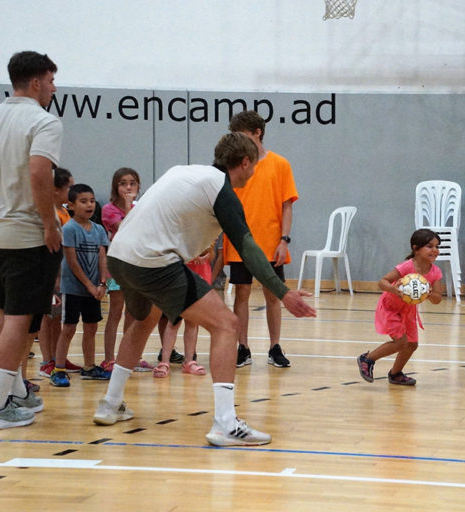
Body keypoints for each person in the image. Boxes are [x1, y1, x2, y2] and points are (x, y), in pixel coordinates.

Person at [92, 132, 316, 447]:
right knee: (227, 324)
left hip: (120, 257)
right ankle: (225, 424)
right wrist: (284, 292)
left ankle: (110, 403)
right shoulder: (222, 190)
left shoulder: (185, 172)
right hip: (153, 262)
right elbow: (248, 249)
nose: (255, 170)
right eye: (255, 165)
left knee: (144, 320)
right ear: (245, 162)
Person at [0, 51, 63, 429]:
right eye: (51, 81)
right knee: (21, 319)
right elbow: (39, 173)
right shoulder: (43, 121)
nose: (54, 88)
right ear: (36, 82)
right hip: (25, 236)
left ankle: (15, 390)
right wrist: (50, 224)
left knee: (7, 314)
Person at [223, 111, 298, 368]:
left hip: (270, 242)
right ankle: (242, 347)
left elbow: (287, 205)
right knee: (241, 294)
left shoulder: (280, 164)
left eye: (243, 135)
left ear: (258, 133)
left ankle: (274, 347)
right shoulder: (235, 166)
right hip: (239, 241)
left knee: (273, 295)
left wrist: (284, 240)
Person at [357, 229, 444, 386]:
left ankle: (395, 374)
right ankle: (367, 359)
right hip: (390, 307)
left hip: (408, 310)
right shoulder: (406, 267)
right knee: (401, 342)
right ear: (416, 248)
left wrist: (429, 293)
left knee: (412, 344)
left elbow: (438, 299)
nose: (435, 250)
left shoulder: (435, 272)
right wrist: (393, 289)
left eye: (437, 247)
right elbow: (382, 282)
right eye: (430, 246)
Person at [51, 184, 110, 387]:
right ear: (71, 206)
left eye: (92, 201)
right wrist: (89, 286)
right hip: (73, 289)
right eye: (83, 201)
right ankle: (58, 369)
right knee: (68, 328)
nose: (89, 205)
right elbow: (72, 261)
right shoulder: (69, 229)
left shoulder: (99, 229)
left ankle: (89, 367)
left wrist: (102, 283)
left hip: (94, 289)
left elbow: (102, 257)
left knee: (91, 327)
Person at [101, 168, 154, 372]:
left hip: (137, 265)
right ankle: (109, 358)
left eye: (132, 183)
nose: (128, 187)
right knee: (115, 312)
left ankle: (130, 357)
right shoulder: (109, 210)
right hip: (118, 265)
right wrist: (127, 205)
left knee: (133, 314)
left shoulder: (142, 208)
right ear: (116, 187)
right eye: (123, 183)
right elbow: (127, 228)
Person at [37, 167, 74, 379]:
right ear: (56, 190)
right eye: (69, 187)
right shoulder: (51, 215)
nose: (72, 191)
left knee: (57, 318)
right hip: (51, 273)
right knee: (46, 316)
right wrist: (54, 278)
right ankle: (46, 360)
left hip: (62, 272)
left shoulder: (64, 211)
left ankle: (58, 356)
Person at [156, 246, 214, 378]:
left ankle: (189, 361)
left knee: (192, 322)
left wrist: (207, 252)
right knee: (173, 321)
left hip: (200, 276)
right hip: (181, 277)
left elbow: (211, 255)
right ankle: (165, 362)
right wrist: (192, 255)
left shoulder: (206, 236)